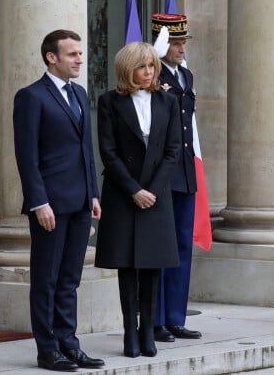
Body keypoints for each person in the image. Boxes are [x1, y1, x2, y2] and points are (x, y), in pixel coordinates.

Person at [13, 29, 105, 371]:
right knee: (46, 279)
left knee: (70, 280)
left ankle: (70, 344)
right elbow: (27, 155)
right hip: (49, 205)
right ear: (52, 57)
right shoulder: (31, 97)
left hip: (80, 201)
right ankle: (47, 350)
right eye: (72, 54)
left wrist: (93, 192)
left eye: (80, 53)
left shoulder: (80, 94)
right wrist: (39, 202)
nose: (80, 59)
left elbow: (86, 149)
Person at [95, 41, 181, 358]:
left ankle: (148, 333)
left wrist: (152, 191)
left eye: (151, 65)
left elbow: (173, 151)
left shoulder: (168, 101)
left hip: (156, 196)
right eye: (142, 66)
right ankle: (129, 333)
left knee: (152, 266)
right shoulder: (109, 102)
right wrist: (134, 190)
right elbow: (109, 152)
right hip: (123, 194)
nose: (148, 71)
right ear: (127, 70)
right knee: (127, 268)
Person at [150, 14, 202, 342]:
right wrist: (152, 60)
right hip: (162, 174)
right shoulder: (151, 75)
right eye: (175, 42)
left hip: (184, 170)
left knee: (183, 245)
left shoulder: (185, 75)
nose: (181, 48)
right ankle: (155, 319)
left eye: (184, 42)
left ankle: (175, 316)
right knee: (160, 246)